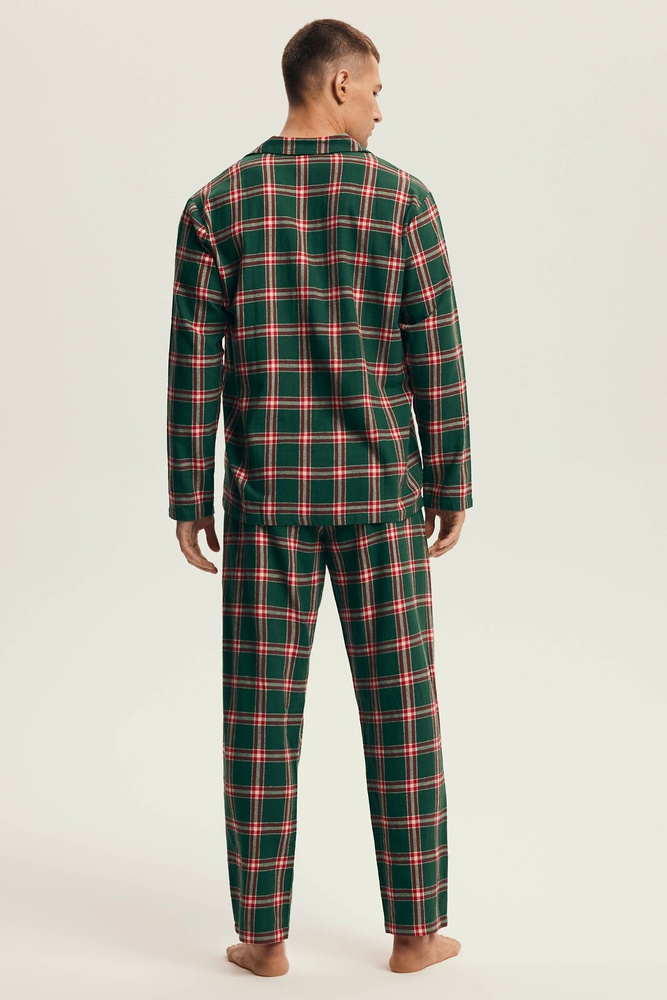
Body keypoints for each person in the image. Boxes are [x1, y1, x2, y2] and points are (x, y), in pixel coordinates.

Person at [166, 17, 472, 978]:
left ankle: (262, 941)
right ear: (337, 84)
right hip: (384, 496)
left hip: (266, 499)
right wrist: (451, 481)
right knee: (402, 713)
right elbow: (436, 354)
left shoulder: (216, 205)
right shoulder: (403, 202)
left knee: (258, 722)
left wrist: (188, 494)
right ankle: (415, 933)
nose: (380, 108)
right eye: (374, 89)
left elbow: (192, 367)